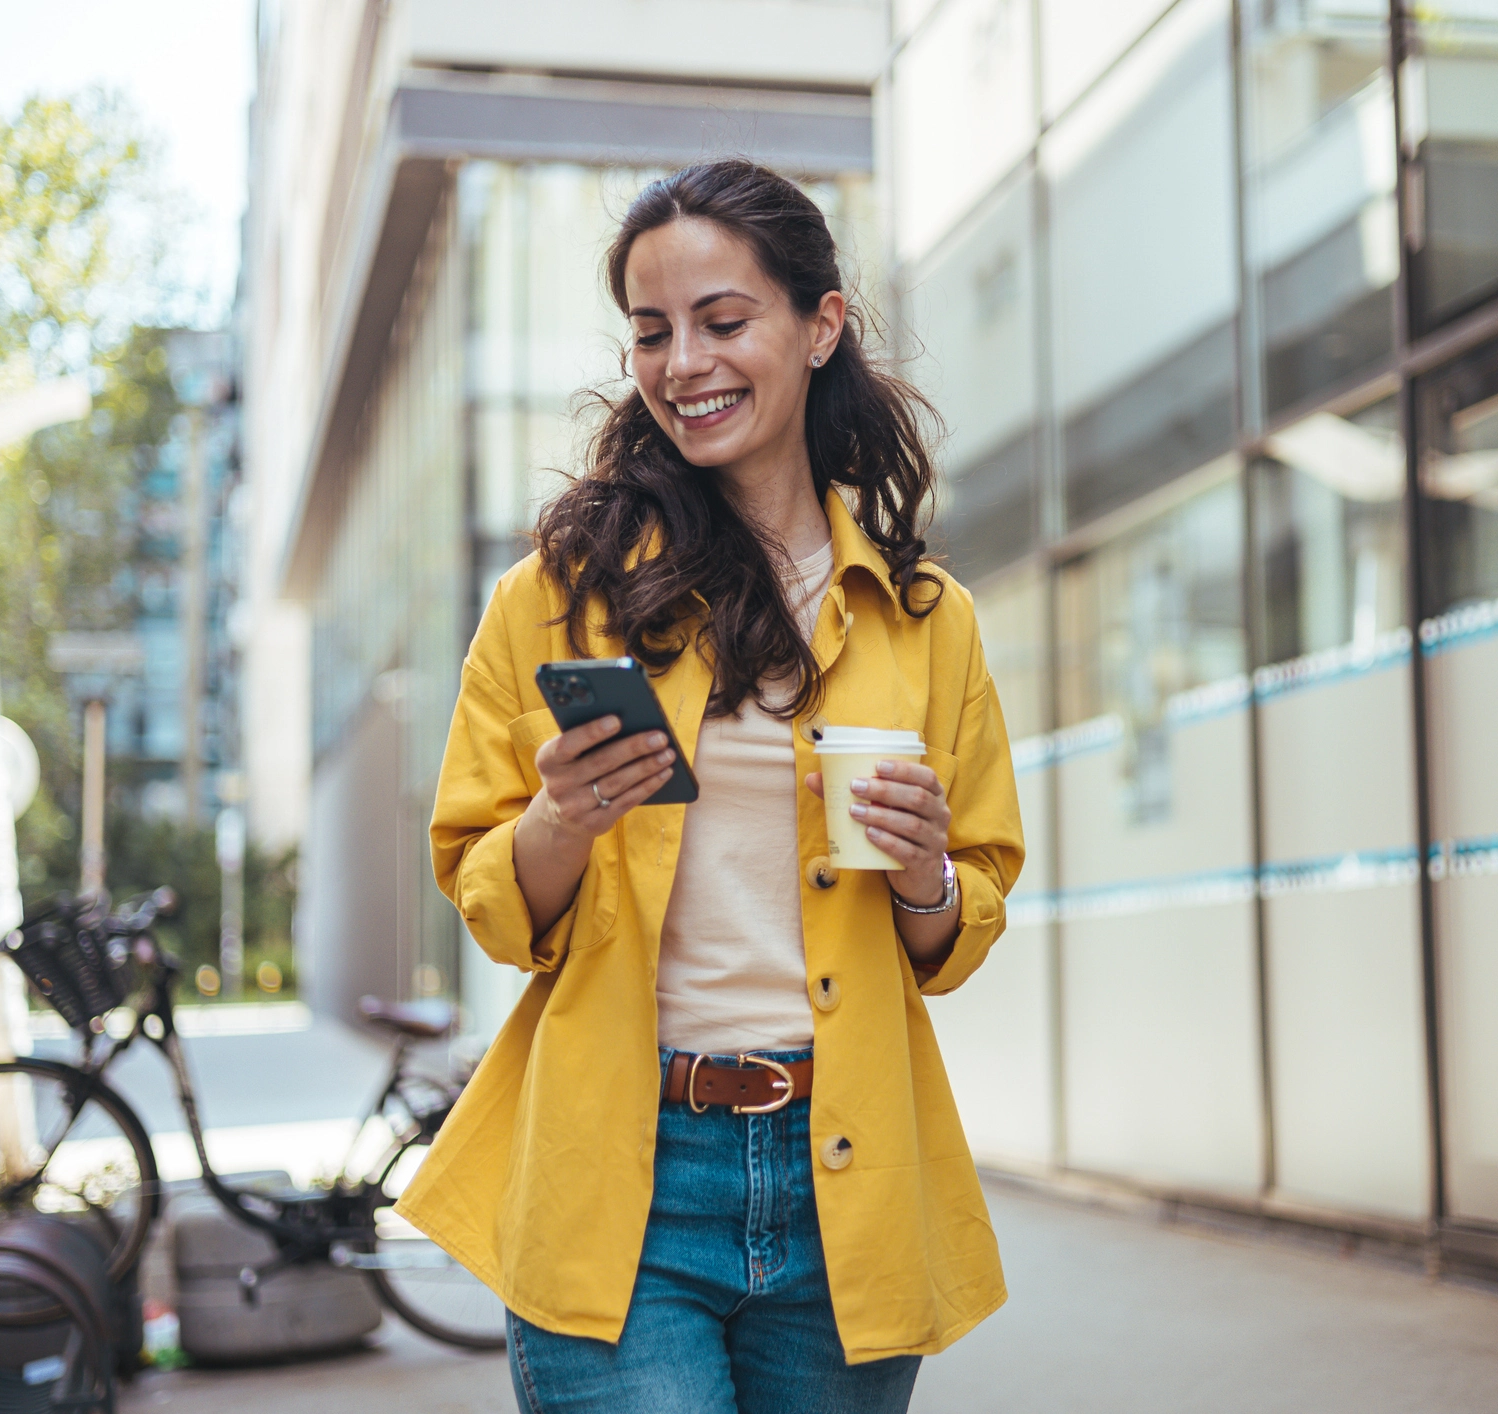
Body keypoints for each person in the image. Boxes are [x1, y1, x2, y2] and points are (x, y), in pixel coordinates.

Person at [395, 159, 1026, 1414]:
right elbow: (488, 898)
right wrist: (562, 817)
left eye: (723, 321)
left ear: (820, 324)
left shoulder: (925, 618)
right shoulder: (555, 596)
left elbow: (958, 930)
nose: (684, 363)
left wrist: (925, 874)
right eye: (651, 331)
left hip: (846, 1176)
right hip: (620, 1177)